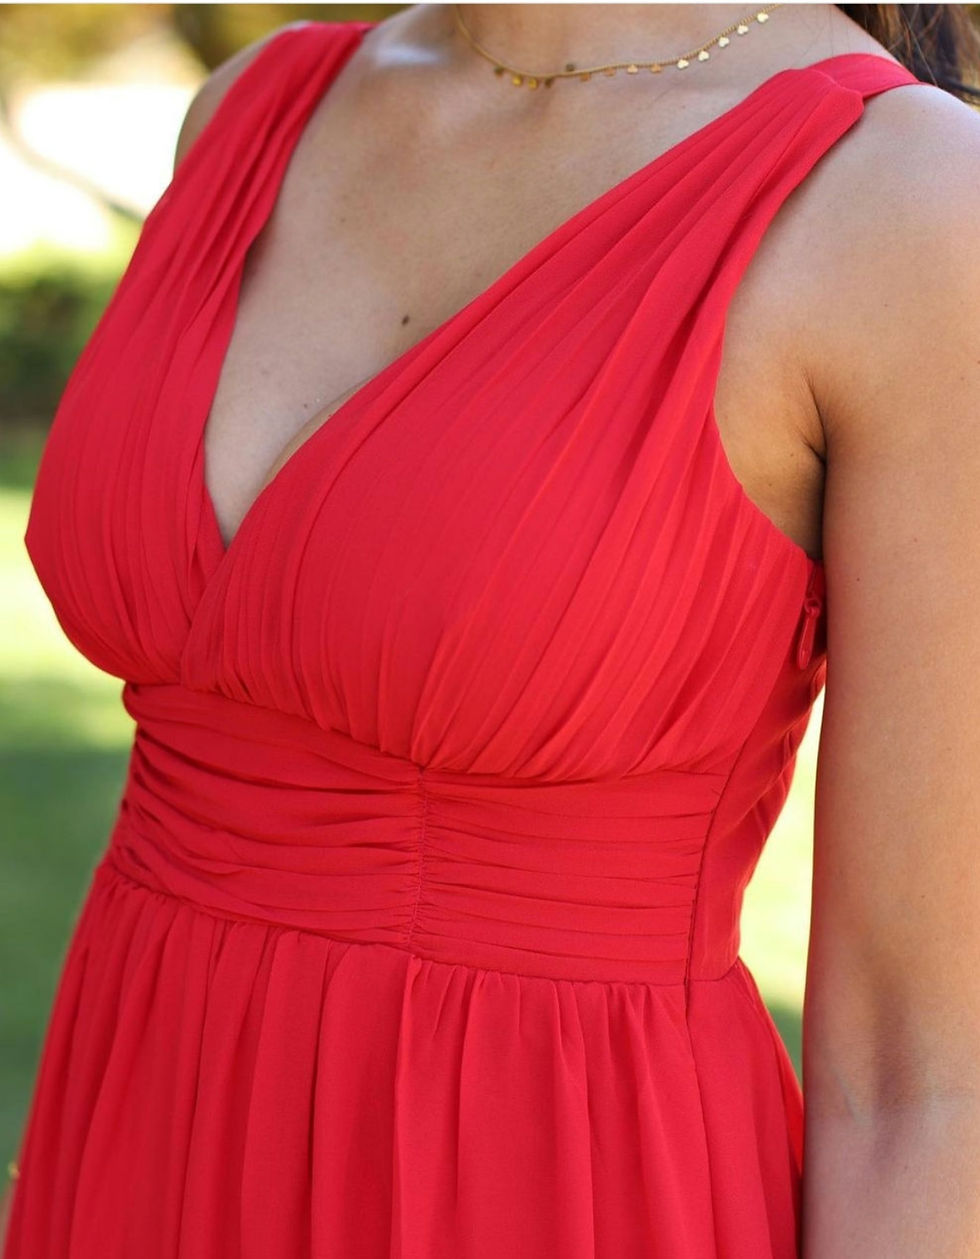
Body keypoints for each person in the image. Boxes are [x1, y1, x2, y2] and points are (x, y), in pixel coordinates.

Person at [5, 4, 980, 1255]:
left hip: (546, 1182)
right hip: (140, 1138)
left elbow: (922, 1075)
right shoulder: (252, 110)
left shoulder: (902, 208)